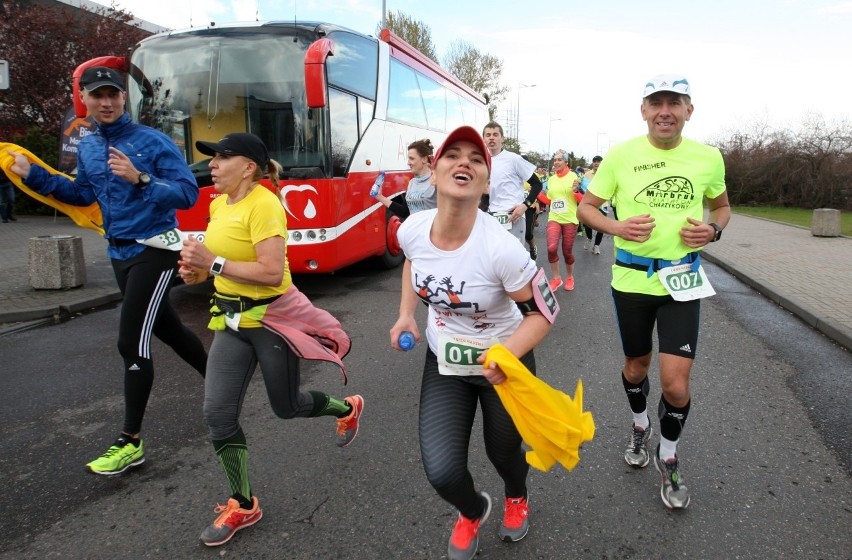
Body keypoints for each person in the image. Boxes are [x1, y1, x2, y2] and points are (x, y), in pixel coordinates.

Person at [8, 66, 208, 475]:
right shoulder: (90, 146)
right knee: (169, 329)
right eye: (97, 95)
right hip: (119, 253)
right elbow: (83, 193)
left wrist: (142, 178)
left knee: (130, 341)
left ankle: (130, 441)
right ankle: (224, 382)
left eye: (113, 95)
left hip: (155, 250)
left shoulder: (151, 142)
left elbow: (187, 193)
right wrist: (38, 176)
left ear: (123, 98)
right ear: (84, 98)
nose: (106, 102)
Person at [177, 132, 364, 547]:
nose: (212, 164)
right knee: (217, 414)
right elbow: (217, 265)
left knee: (287, 406)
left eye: (222, 157)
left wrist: (215, 261)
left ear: (248, 167)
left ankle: (346, 408)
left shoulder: (264, 205)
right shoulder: (218, 203)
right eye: (212, 157)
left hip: (270, 320)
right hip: (229, 321)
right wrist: (198, 272)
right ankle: (243, 504)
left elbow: (270, 273)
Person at [391, 126, 552, 560]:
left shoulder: (503, 249)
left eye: (476, 159)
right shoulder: (413, 229)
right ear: (436, 169)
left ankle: (516, 494)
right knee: (442, 471)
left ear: (485, 180)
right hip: (445, 361)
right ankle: (473, 508)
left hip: (503, 364)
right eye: (452, 155)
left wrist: (508, 354)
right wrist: (407, 313)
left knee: (503, 453)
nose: (464, 162)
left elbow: (544, 314)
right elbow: (412, 264)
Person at [577, 74, 730, 509]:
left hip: (682, 279)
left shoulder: (708, 157)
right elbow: (588, 207)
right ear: (644, 110)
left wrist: (713, 229)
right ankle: (640, 423)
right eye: (656, 102)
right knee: (635, 366)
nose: (665, 110)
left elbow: (721, 205)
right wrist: (616, 226)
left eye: (675, 102)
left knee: (676, 384)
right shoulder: (621, 155)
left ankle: (669, 453)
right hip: (631, 279)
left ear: (688, 110)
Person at [481, 122, 543, 246]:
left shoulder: (514, 159)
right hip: (491, 217)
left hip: (513, 216)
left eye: (495, 134)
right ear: (484, 139)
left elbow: (537, 184)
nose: (491, 137)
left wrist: (525, 205)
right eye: (488, 135)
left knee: (514, 263)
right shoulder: (481, 161)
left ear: (502, 138)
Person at [544, 149, 582, 292]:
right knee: (551, 248)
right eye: (555, 160)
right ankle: (556, 278)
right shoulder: (551, 179)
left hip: (570, 219)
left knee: (567, 252)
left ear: (566, 162)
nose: (556, 162)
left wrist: (576, 192)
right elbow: (550, 200)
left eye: (559, 159)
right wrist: (534, 197)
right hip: (554, 217)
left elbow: (582, 200)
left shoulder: (574, 177)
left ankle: (570, 277)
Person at [372, 138, 435, 218]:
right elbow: (405, 212)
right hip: (414, 230)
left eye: (411, 158)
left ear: (424, 159)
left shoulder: (436, 182)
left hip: (430, 230)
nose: (408, 163)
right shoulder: (412, 183)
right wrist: (379, 196)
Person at [580, 156, 605, 254]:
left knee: (602, 226)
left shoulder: (606, 174)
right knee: (587, 223)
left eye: (598, 161)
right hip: (589, 203)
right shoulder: (586, 175)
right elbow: (581, 186)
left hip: (603, 203)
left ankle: (596, 246)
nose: (596, 163)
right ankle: (589, 238)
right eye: (594, 161)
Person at [522, 167, 546, 260]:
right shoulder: (512, 176)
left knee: (527, 233)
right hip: (514, 208)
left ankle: (532, 247)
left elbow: (538, 190)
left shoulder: (532, 177)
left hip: (529, 208)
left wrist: (536, 203)